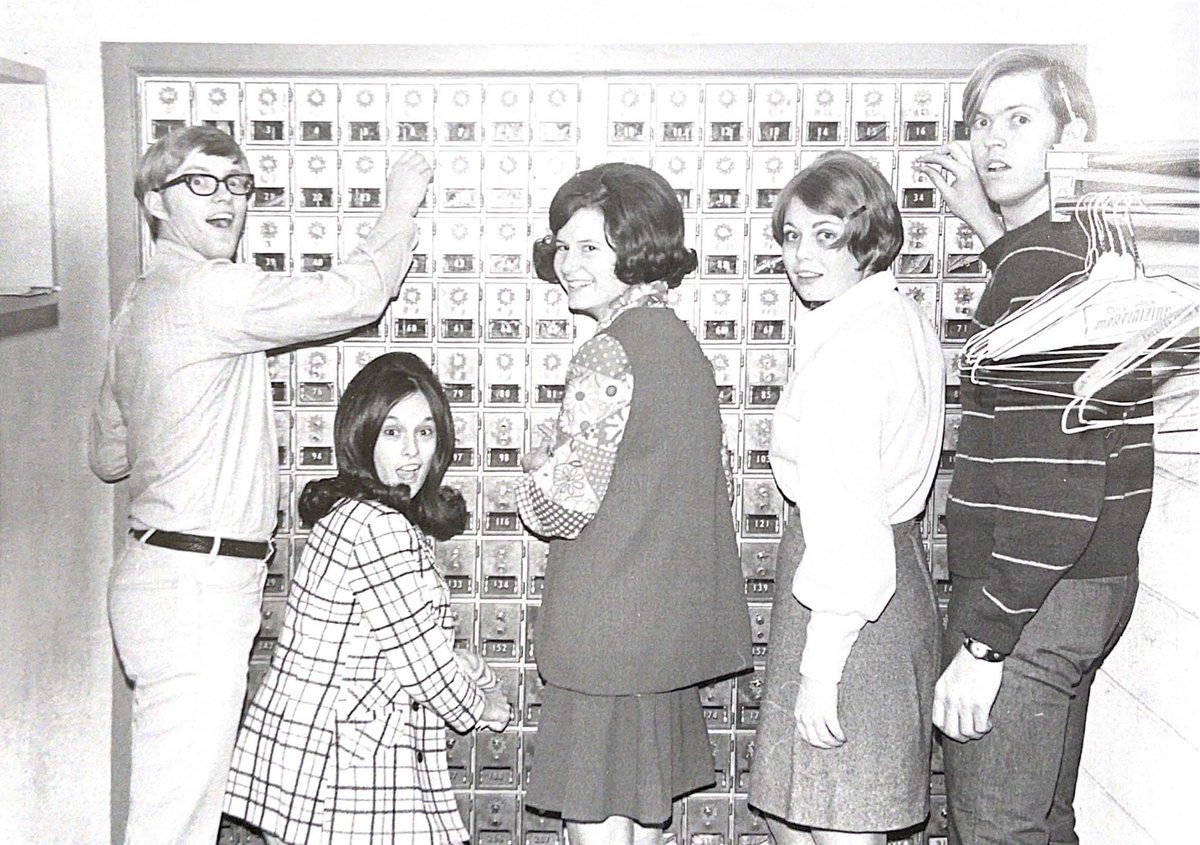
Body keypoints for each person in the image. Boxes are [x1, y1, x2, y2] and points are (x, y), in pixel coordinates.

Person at [87, 124, 432, 845]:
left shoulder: (136, 303)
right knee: (171, 819)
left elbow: (108, 454)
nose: (227, 199)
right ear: (156, 202)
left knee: (179, 801)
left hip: (158, 572)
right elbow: (357, 294)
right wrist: (401, 199)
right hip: (196, 586)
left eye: (238, 183)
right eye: (200, 182)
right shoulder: (214, 292)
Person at [917, 48, 1152, 845]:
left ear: (1072, 134)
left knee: (994, 829)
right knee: (1045, 823)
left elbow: (1051, 484)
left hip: (1028, 598)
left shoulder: (1041, 275)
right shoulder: (1080, 254)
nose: (991, 141)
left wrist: (986, 641)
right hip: (1089, 584)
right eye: (982, 122)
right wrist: (991, 232)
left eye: (1020, 120)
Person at [515, 162, 752, 845]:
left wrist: (533, 473)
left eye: (590, 247)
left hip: (602, 640)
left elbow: (563, 508)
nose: (567, 264)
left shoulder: (606, 353)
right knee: (642, 825)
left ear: (637, 246)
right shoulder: (683, 347)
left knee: (592, 825)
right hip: (662, 639)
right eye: (562, 246)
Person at [223, 352, 511, 844]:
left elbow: (377, 642)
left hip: (315, 766)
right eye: (393, 432)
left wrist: (458, 663)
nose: (412, 453)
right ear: (363, 435)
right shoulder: (380, 528)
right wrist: (485, 706)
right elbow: (421, 666)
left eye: (425, 432)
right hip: (341, 774)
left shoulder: (355, 514)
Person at [747, 151, 946, 845]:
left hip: (851, 608)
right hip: (886, 590)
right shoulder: (896, 318)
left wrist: (820, 670)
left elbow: (852, 529)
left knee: (838, 822)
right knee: (800, 814)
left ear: (868, 235)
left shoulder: (853, 353)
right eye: (792, 235)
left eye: (825, 235)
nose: (802, 255)